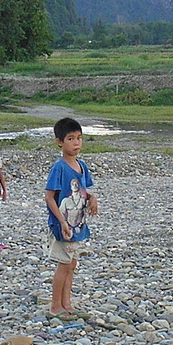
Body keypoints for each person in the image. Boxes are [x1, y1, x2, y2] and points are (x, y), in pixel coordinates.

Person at [44, 117, 99, 320]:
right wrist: (62, 221)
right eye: (70, 139)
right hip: (63, 224)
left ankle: (67, 303)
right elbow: (49, 197)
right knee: (63, 264)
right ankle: (55, 305)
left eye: (79, 138)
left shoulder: (82, 165)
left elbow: (85, 191)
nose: (76, 143)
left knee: (72, 264)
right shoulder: (59, 168)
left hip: (78, 224)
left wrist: (93, 199)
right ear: (60, 142)